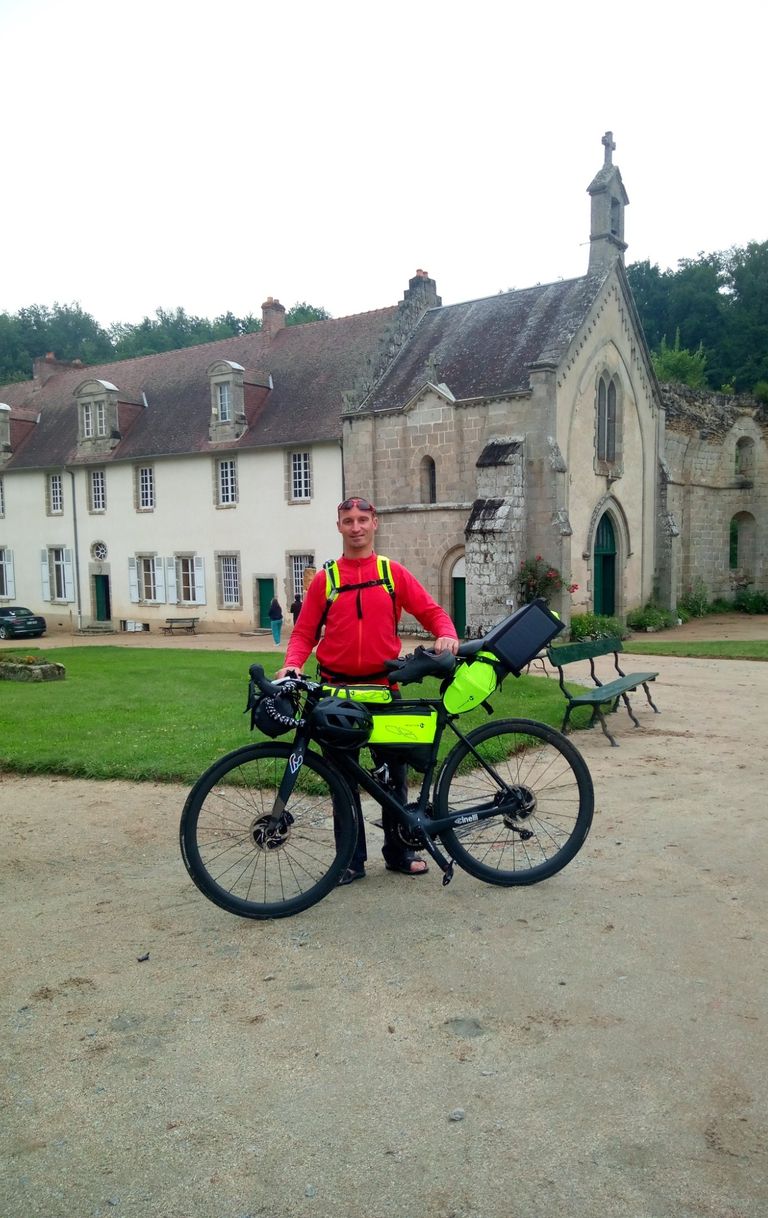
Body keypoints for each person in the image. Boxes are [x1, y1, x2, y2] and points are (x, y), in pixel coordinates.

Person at [277, 495, 459, 884]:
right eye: (348, 520)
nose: (356, 527)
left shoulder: (392, 573)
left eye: (363, 519)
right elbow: (305, 632)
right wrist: (293, 663)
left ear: (375, 522)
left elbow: (431, 611)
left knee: (395, 774)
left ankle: (399, 851)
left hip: (383, 690)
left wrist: (445, 633)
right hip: (336, 695)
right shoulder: (327, 579)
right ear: (339, 526)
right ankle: (350, 861)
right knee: (342, 782)